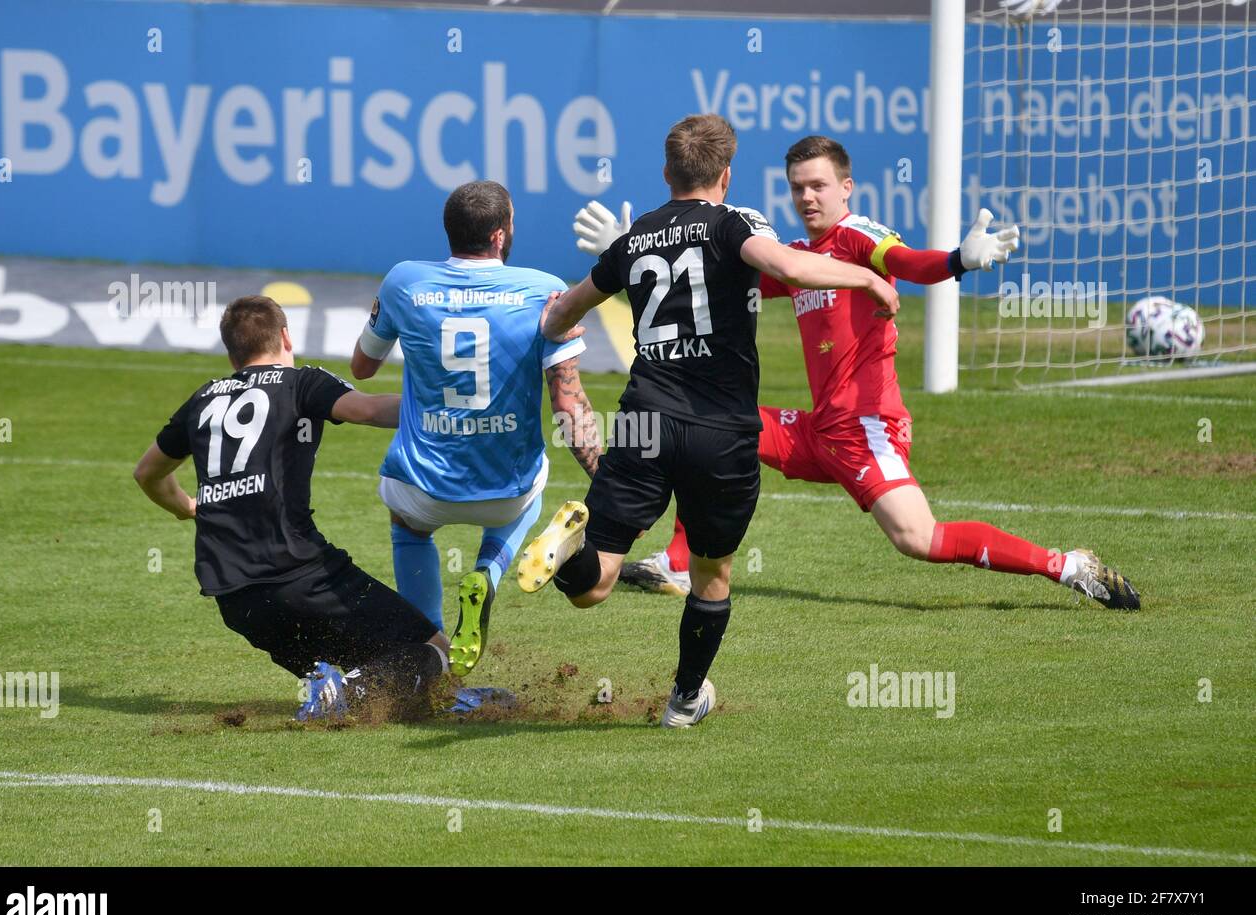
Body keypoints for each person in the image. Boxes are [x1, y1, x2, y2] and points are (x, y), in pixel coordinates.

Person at [575, 135, 1140, 611]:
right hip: (819, 427)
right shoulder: (798, 253)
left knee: (919, 539)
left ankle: (1067, 566)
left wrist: (957, 261)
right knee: (716, 428)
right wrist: (630, 255)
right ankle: (678, 564)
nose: (806, 197)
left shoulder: (857, 237)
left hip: (866, 427)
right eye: (797, 187)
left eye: (818, 185)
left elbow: (907, 264)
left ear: (845, 188)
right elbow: (710, 281)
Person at [517, 115, 901, 728]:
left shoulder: (636, 236)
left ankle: (567, 554)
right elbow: (794, 269)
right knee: (711, 570)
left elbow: (560, 313)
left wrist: (554, 331)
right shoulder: (736, 222)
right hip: (721, 431)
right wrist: (866, 278)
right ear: (726, 174)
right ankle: (684, 700)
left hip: (645, 421)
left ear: (667, 174)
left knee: (595, 584)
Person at [133, 295, 451, 721]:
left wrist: (186, 507)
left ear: (232, 352)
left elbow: (147, 473)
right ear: (285, 335)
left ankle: (326, 683)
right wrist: (446, 407)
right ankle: (353, 691)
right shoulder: (301, 382)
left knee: (372, 662)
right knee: (433, 650)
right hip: (301, 576)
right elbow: (372, 409)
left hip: (233, 596)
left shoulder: (203, 398)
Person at [351, 180, 601, 678]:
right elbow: (570, 409)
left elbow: (361, 368)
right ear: (501, 235)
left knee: (408, 527)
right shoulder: (545, 292)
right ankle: (487, 571)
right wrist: (611, 480)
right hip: (506, 493)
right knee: (531, 489)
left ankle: (432, 652)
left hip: (423, 490)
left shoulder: (404, 282)